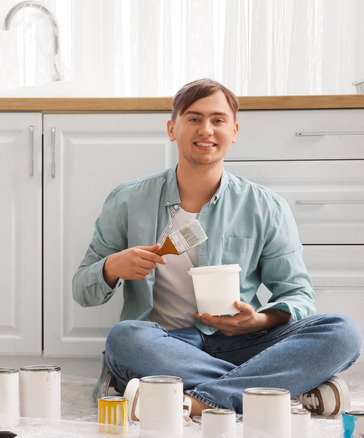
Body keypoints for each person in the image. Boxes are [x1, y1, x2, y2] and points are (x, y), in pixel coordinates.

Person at [72, 78, 363, 418]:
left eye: (218, 120)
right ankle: (277, 393)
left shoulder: (266, 206)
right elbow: (82, 290)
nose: (206, 129)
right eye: (193, 118)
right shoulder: (127, 200)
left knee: (343, 331)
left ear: (234, 130)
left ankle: (196, 400)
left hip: (247, 346)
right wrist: (110, 268)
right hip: (166, 346)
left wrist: (258, 320)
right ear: (172, 128)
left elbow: (298, 295)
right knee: (125, 339)